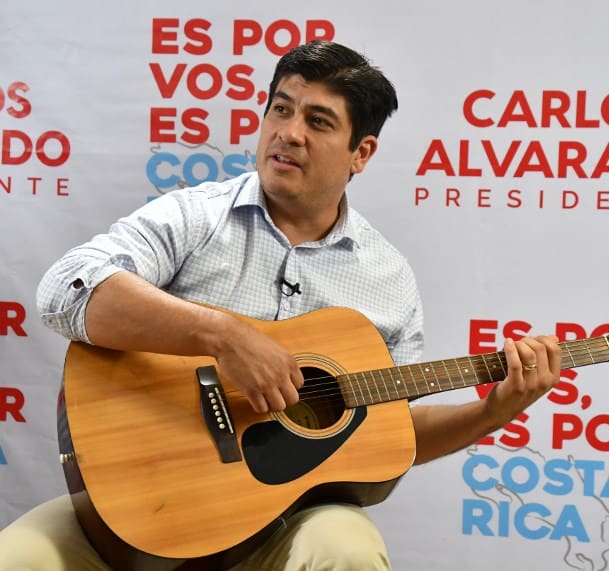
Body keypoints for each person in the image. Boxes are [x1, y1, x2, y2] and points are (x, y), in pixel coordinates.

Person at [0, 41, 561, 570]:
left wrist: (493, 412)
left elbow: (399, 428)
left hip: (285, 524)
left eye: (318, 122)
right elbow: (66, 288)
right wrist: (221, 336)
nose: (288, 133)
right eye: (281, 110)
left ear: (361, 152)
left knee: (346, 549)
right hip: (134, 512)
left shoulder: (388, 279)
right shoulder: (194, 216)